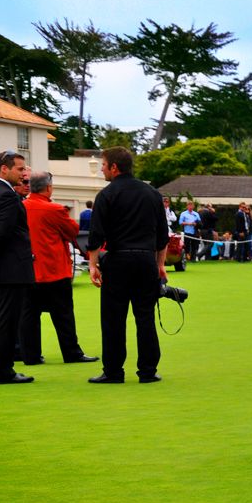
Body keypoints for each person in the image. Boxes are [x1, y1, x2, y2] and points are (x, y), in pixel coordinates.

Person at [86, 146, 168, 384]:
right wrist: (160, 265)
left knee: (113, 318)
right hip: (145, 261)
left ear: (114, 167)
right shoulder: (152, 194)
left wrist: (93, 266)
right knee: (145, 317)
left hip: (118, 259)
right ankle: (148, 371)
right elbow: (162, 236)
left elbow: (96, 235)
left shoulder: (107, 195)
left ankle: (113, 371)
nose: (102, 169)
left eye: (103, 165)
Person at [19, 171, 98, 365]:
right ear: (48, 188)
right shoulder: (54, 209)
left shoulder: (21, 207)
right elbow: (72, 230)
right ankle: (71, 352)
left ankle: (31, 355)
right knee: (63, 315)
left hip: (29, 269)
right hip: (54, 269)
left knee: (29, 315)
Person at [0, 151, 35, 384]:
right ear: (4, 168)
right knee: (7, 321)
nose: (23, 174)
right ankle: (4, 370)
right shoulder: (8, 196)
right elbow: (2, 233)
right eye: (20, 169)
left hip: (7, 268)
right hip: (10, 270)